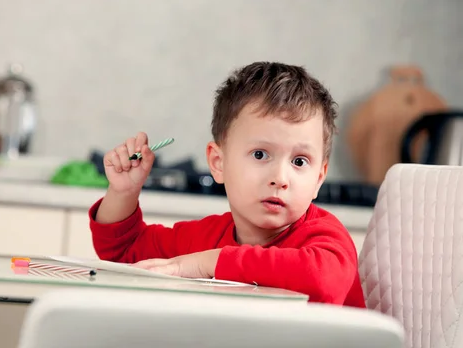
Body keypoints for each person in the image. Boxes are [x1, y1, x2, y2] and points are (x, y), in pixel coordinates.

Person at [87, 61, 366, 307]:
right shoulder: (205, 238)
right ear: (218, 163)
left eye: (300, 161)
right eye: (260, 154)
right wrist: (123, 192)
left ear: (319, 178)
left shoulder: (325, 239)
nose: (280, 178)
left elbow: (322, 282)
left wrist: (206, 264)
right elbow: (124, 253)